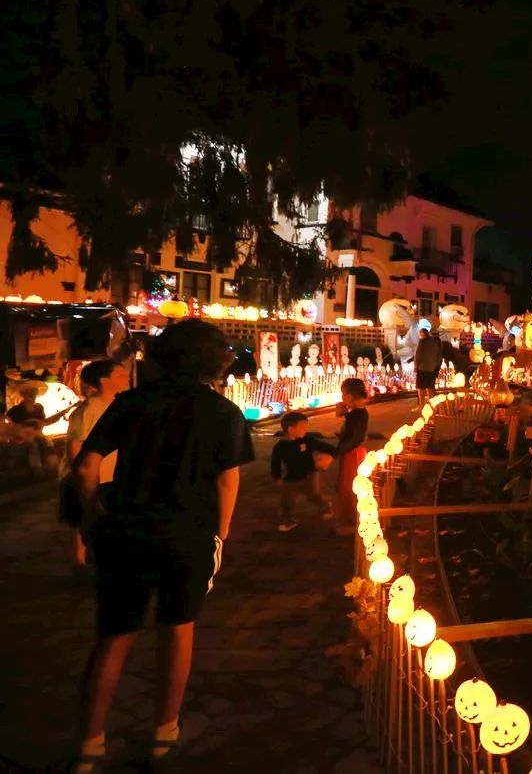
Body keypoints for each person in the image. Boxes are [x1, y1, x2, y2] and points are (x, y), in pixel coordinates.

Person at [71, 319, 253, 773]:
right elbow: (227, 479)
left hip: (127, 528)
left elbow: (85, 466)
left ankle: (90, 743)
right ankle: (163, 734)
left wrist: (93, 516)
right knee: (177, 630)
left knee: (114, 637)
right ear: (214, 361)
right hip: (187, 533)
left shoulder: (130, 402)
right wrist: (222, 533)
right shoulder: (222, 412)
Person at [59, 360, 130, 572]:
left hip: (110, 475)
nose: (126, 378)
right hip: (89, 475)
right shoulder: (89, 409)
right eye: (119, 375)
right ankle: (80, 563)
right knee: (85, 518)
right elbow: (75, 445)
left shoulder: (119, 406)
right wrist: (80, 475)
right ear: (103, 381)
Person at [311, 378, 369, 535]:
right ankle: (350, 520)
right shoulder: (357, 413)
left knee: (348, 489)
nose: (342, 398)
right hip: (353, 452)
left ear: (350, 396)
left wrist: (333, 455)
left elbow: (353, 439)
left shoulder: (358, 415)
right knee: (345, 486)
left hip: (353, 453)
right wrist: (345, 414)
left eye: (343, 395)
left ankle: (353, 523)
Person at [272, 411, 333, 532]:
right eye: (302, 427)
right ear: (290, 429)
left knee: (314, 495)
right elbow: (275, 463)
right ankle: (289, 520)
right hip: (291, 477)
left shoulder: (307, 440)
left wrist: (329, 457)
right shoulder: (280, 446)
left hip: (310, 474)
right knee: (286, 500)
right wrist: (277, 477)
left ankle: (326, 506)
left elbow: (328, 448)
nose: (306, 430)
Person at [413, 327, 442, 405]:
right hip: (431, 368)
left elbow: (418, 355)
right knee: (430, 387)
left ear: (423, 334)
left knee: (421, 388)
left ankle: (421, 405)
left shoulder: (422, 342)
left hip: (422, 368)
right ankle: (432, 406)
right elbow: (439, 356)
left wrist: (416, 366)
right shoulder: (435, 343)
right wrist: (435, 365)